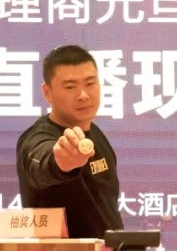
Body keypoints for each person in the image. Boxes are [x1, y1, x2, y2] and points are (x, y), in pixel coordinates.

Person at [16, 45, 123, 239]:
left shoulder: (96, 134)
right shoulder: (36, 138)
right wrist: (62, 162)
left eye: (90, 83)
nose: (83, 95)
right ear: (47, 93)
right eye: (70, 87)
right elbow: (42, 160)